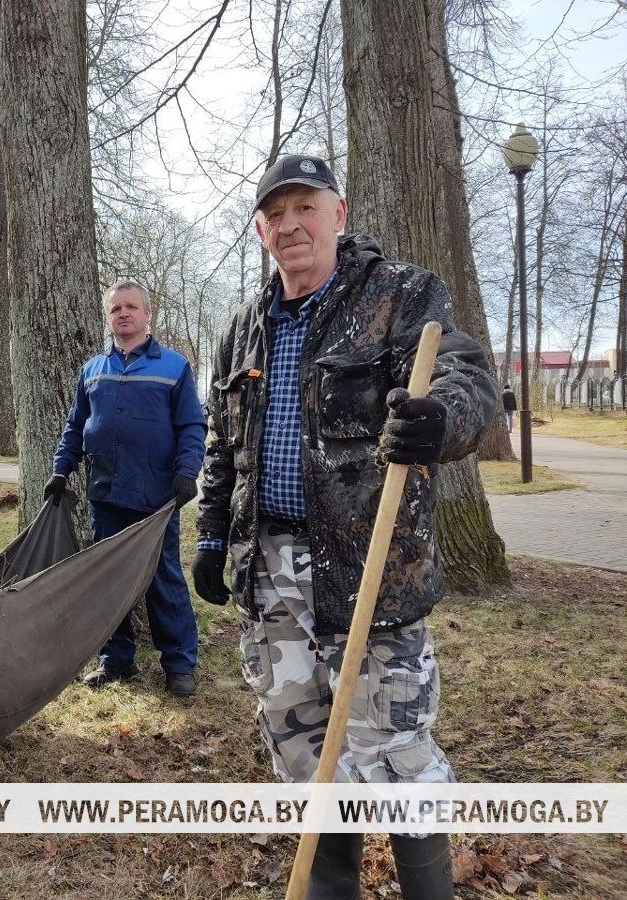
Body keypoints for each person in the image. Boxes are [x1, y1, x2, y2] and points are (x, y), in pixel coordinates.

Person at [191, 155, 496, 899]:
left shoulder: (398, 296)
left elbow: (465, 374)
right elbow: (222, 446)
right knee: (298, 745)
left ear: (339, 212)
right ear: (261, 231)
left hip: (369, 570)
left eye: (306, 207)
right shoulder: (244, 330)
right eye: (276, 214)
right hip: (269, 575)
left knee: (394, 751)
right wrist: (211, 534)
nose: (291, 224)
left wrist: (441, 419)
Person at [45, 279, 207, 697]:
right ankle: (116, 660)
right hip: (105, 493)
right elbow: (76, 426)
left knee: (163, 579)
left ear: (147, 313)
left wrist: (187, 472)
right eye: (116, 308)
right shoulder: (92, 370)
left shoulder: (174, 367)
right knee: (108, 581)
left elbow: (192, 425)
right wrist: (62, 469)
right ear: (108, 316)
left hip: (156, 497)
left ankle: (179, 665)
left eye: (131, 307)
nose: (123, 314)